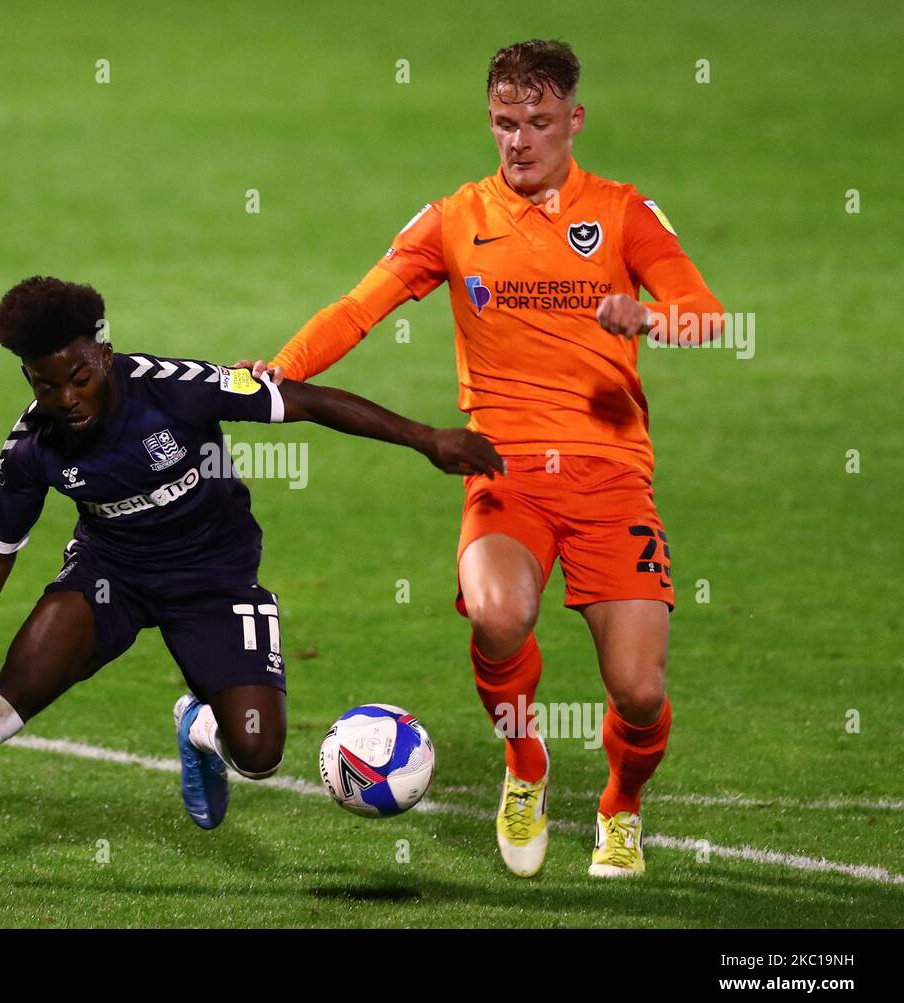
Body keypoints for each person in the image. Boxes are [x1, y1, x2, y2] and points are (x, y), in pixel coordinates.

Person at [0, 274, 503, 887]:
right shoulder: (30, 449)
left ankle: (197, 726)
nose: (68, 397)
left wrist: (428, 440)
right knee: (0, 706)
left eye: (79, 376)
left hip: (216, 577)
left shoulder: (177, 391)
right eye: (47, 385)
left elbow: (307, 402)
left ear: (102, 354)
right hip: (112, 575)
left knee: (258, 753)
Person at [241, 40, 723, 877]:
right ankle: (526, 765)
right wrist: (279, 371)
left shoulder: (622, 213)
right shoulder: (453, 219)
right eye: (505, 123)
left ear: (573, 120)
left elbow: (707, 317)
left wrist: (651, 319)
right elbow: (359, 308)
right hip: (504, 471)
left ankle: (620, 806)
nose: (520, 141)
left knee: (640, 692)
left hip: (612, 478)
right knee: (499, 614)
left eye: (539, 122)